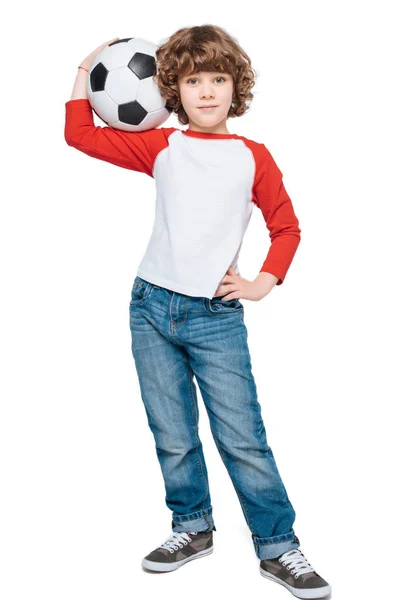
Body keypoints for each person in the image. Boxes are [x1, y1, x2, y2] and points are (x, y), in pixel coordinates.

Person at [64, 24, 331, 599]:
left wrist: (264, 281)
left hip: (215, 317)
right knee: (173, 432)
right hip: (150, 308)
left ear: (236, 88)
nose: (206, 91)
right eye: (192, 81)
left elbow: (286, 226)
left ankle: (278, 545)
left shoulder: (252, 157)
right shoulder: (161, 147)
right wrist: (86, 72)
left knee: (243, 437)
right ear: (172, 93)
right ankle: (192, 528)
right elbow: (79, 135)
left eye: (217, 79)